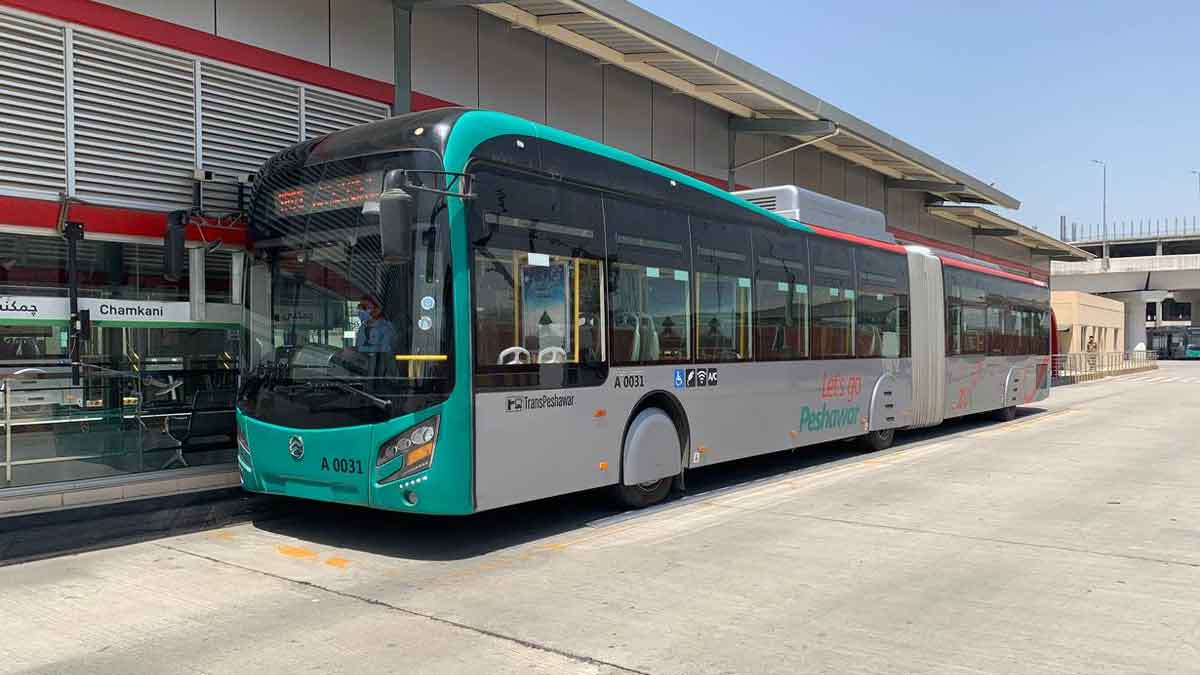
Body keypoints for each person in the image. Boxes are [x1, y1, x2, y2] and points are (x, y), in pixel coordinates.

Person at [351, 296, 397, 377]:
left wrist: (357, 349)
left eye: (364, 308)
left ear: (377, 310)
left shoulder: (386, 327)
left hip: (383, 376)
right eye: (359, 307)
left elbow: (385, 349)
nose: (360, 311)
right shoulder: (363, 328)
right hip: (365, 375)